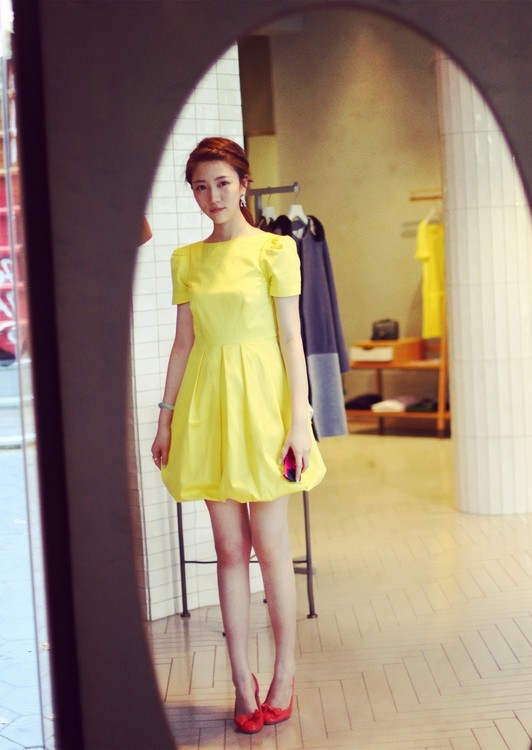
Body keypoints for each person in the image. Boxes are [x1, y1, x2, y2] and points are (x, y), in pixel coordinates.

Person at [151, 137, 325, 734]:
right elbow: (182, 345)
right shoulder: (186, 259)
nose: (212, 196)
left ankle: (285, 673)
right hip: (208, 408)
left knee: (271, 548)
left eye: (222, 183)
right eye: (201, 187)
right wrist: (166, 417)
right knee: (230, 549)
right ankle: (241, 680)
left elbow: (291, 341)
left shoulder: (276, 249)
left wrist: (300, 422)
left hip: (263, 408)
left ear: (244, 183)